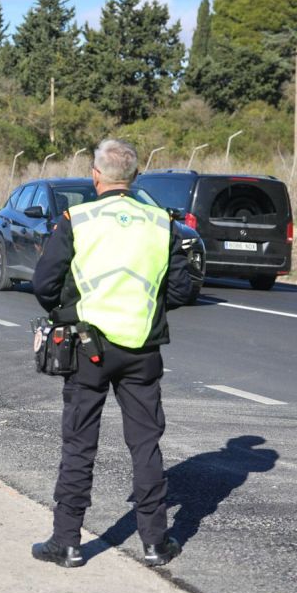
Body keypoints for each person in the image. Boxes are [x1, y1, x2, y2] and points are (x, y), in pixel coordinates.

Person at [30, 139, 193, 569]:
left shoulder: (77, 219)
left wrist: (68, 311)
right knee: (145, 445)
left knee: (80, 444)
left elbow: (44, 284)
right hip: (142, 349)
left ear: (96, 176)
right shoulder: (162, 222)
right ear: (135, 177)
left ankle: (66, 542)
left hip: (87, 347)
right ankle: (156, 543)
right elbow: (180, 289)